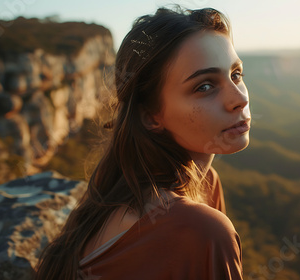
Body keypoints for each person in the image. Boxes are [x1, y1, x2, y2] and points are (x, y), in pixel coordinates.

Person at [34, 6, 250, 280]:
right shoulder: (203, 230)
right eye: (204, 86)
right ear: (151, 116)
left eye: (236, 75)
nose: (239, 99)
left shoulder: (196, 185)